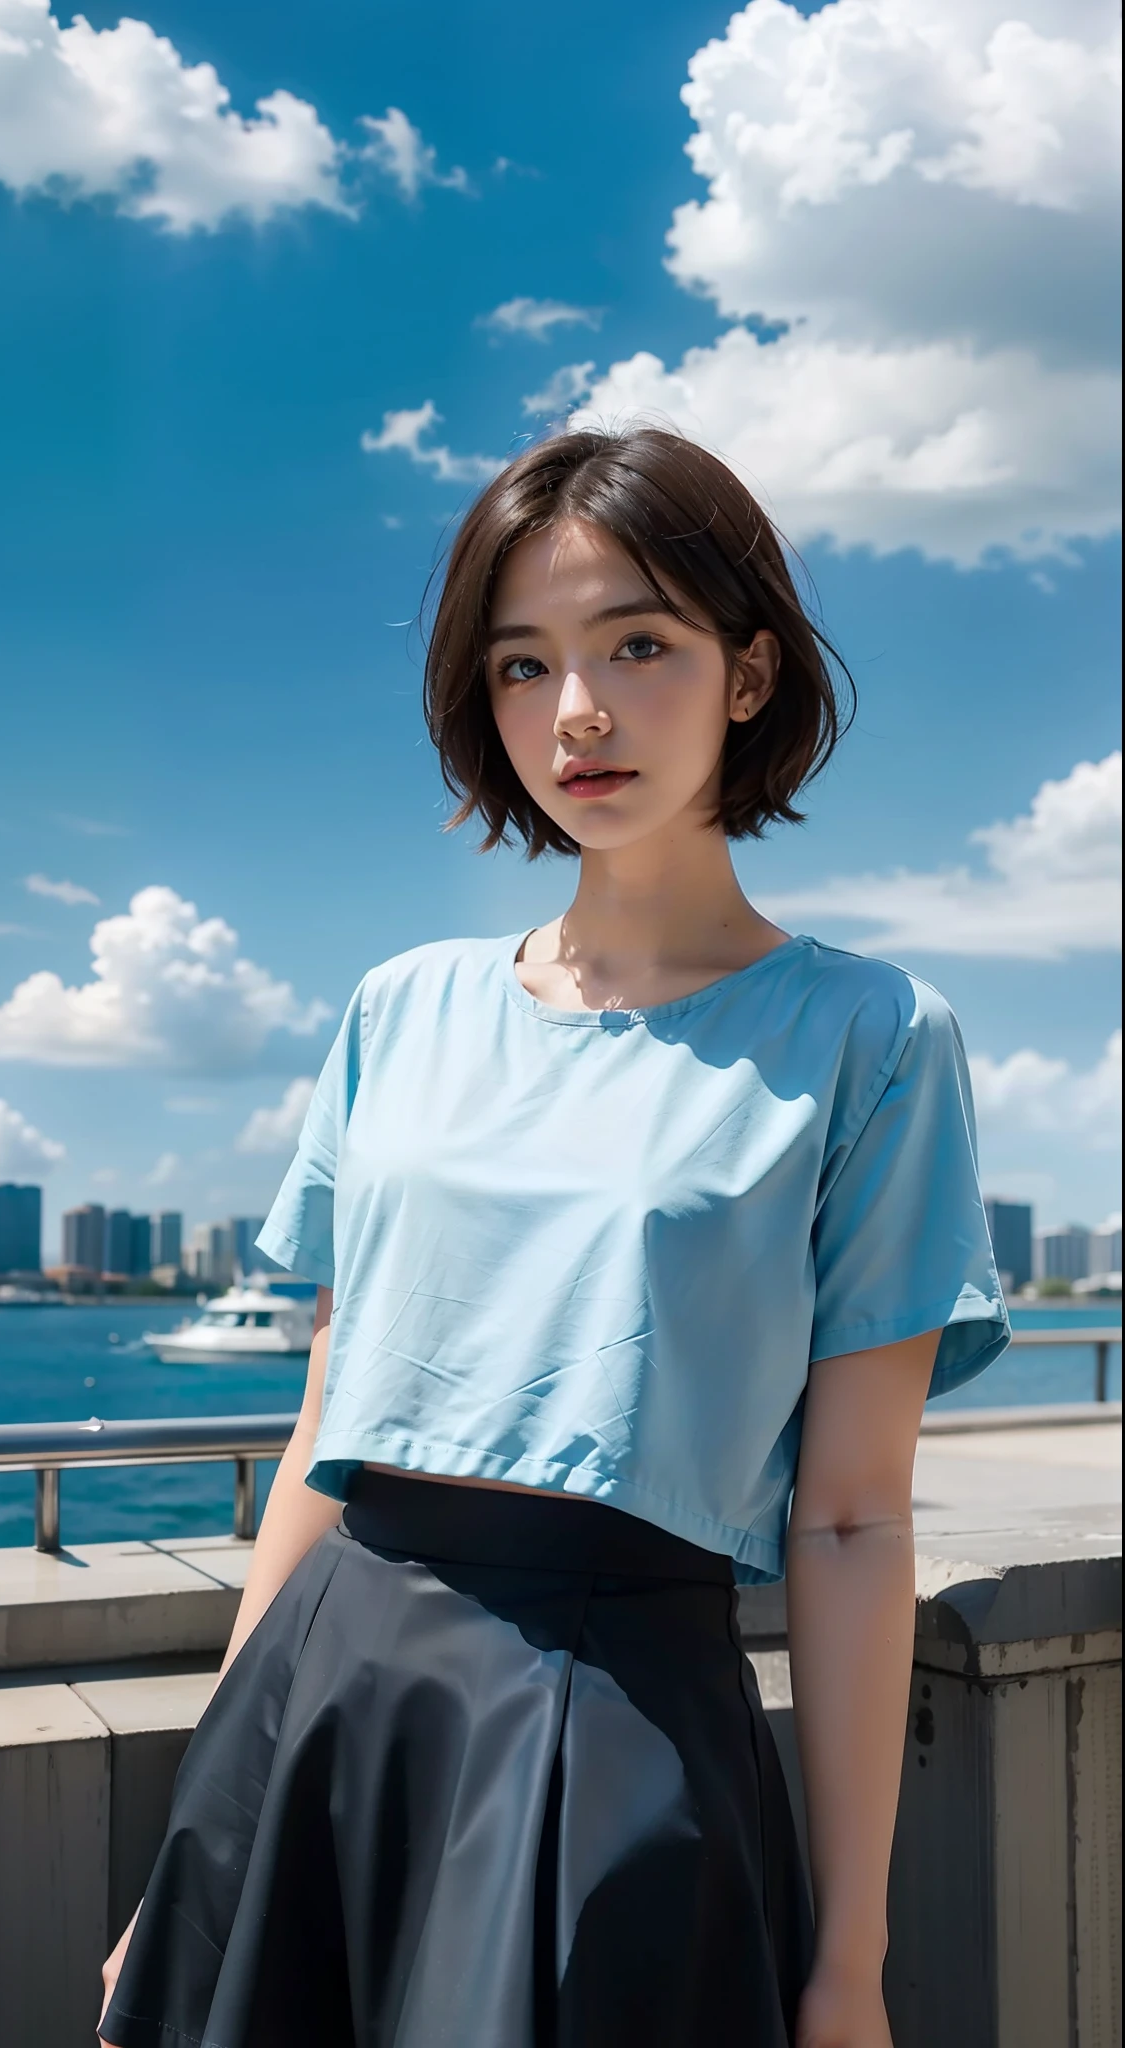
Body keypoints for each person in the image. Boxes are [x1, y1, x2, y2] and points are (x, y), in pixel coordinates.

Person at [98, 426, 1008, 2048]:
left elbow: (858, 1518)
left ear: (750, 674)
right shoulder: (403, 1006)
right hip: (321, 1691)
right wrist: (201, 1833)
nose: (576, 712)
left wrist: (846, 1958)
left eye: (637, 644)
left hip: (612, 1713)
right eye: (524, 665)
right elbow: (330, 1422)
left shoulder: (870, 1034)